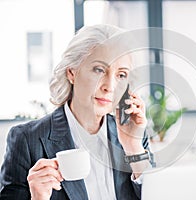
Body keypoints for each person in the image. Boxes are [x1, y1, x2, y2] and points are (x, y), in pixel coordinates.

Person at [0, 24, 153, 200]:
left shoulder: (135, 137)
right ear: (72, 73)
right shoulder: (26, 139)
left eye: (121, 75)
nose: (110, 87)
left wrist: (133, 148)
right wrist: (38, 198)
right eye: (99, 70)